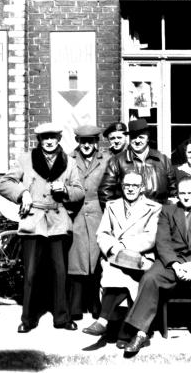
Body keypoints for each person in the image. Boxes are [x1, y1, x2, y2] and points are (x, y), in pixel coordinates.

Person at [94, 176, 191, 356]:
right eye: (182, 193)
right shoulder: (168, 210)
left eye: (190, 192)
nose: (186, 196)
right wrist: (175, 264)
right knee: (149, 278)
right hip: (173, 259)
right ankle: (140, 333)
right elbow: (162, 242)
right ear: (177, 194)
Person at [0, 122, 85, 333]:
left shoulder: (69, 162)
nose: (49, 141)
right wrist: (23, 193)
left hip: (58, 221)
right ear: (39, 140)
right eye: (45, 137)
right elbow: (4, 183)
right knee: (31, 273)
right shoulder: (25, 159)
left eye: (53, 137)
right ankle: (28, 318)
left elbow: (79, 191)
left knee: (60, 272)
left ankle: (62, 318)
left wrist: (64, 189)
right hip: (33, 221)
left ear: (59, 138)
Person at [85, 171, 161, 350]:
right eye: (127, 185)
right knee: (115, 271)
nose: (130, 189)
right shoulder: (112, 206)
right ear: (122, 187)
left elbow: (150, 237)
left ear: (142, 188)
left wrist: (123, 245)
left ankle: (105, 322)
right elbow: (102, 233)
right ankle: (123, 333)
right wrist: (112, 248)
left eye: (135, 186)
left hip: (140, 258)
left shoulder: (154, 208)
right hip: (115, 256)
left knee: (124, 275)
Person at [67, 125, 111, 322]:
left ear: (96, 142)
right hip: (74, 212)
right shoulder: (68, 159)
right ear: (78, 141)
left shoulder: (106, 159)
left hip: (98, 212)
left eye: (91, 141)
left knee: (96, 259)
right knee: (75, 260)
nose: (86, 145)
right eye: (83, 141)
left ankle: (95, 304)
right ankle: (75, 306)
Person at [99, 119, 177, 207]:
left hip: (159, 215)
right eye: (134, 137)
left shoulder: (163, 160)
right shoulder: (117, 161)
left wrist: (167, 213)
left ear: (148, 138)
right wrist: (117, 214)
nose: (137, 141)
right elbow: (105, 192)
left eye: (141, 137)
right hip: (130, 216)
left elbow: (173, 191)